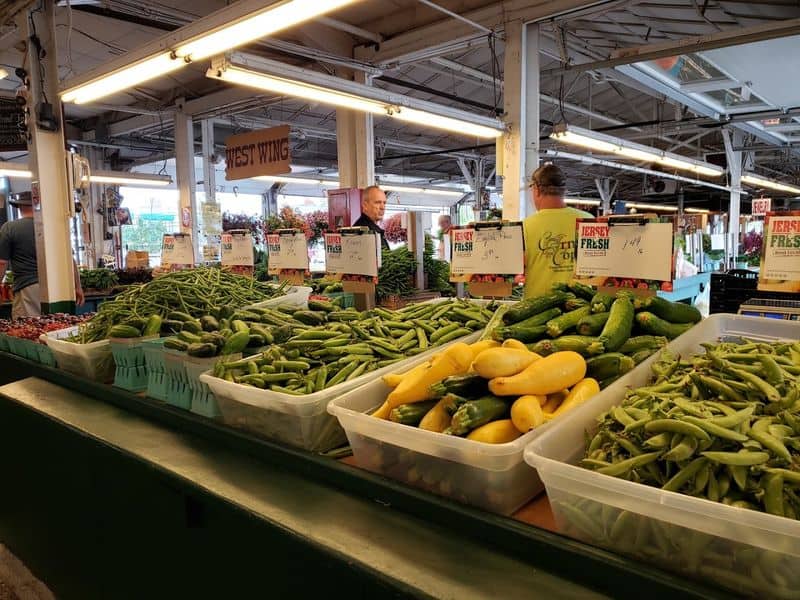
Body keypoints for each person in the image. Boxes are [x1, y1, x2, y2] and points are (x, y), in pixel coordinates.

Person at [0, 192, 85, 318]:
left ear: (20, 207)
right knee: (57, 328)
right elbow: (69, 260)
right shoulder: (53, 227)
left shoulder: (10, 228)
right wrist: (78, 286)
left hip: (27, 288)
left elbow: (2, 263)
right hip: (57, 287)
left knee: (28, 329)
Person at [522, 164, 592, 299]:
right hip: (580, 308)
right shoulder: (588, 221)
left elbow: (516, 272)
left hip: (534, 312)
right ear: (563, 190)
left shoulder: (525, 226)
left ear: (536, 189)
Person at [353, 185, 389, 250]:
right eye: (378, 202)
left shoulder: (373, 229)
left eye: (384, 203)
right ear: (365, 205)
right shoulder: (366, 232)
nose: (382, 207)